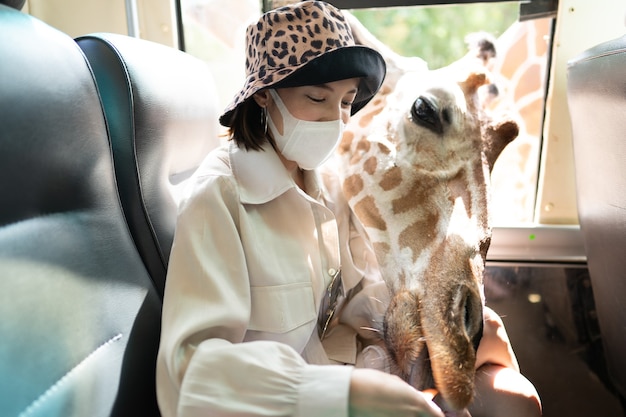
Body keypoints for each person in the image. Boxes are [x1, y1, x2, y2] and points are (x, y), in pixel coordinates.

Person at [156, 2, 541, 417]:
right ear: (265, 95)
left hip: (344, 361)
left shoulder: (327, 183)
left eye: (345, 102)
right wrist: (346, 395)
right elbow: (191, 372)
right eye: (318, 98)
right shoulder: (219, 198)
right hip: (289, 400)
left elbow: (348, 295)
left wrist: (410, 327)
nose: (335, 120)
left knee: (515, 397)